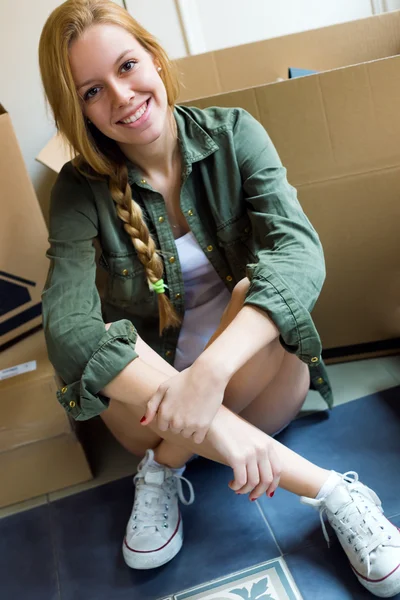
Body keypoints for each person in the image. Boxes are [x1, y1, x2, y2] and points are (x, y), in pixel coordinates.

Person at [38, 1, 400, 596]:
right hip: (149, 410)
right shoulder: (77, 190)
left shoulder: (235, 135)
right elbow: (66, 325)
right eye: (92, 92)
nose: (122, 97)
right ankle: (332, 489)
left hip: (261, 381)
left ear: (154, 57)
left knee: (252, 288)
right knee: (94, 335)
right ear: (76, 111)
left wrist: (209, 373)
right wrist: (214, 422)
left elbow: (300, 255)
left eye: (128, 67)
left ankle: (164, 469)